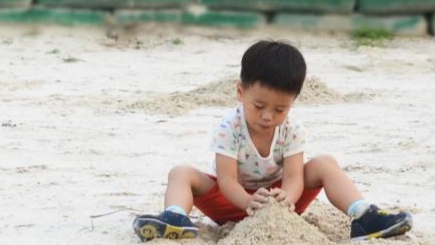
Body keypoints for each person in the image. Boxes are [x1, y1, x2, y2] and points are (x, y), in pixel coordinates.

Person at [131, 40, 413, 241]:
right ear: (241, 92)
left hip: (280, 200)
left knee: (324, 163)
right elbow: (227, 180)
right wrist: (247, 201)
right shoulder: (229, 127)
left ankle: (363, 215)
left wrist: (288, 196)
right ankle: (174, 217)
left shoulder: (292, 128)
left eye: (280, 109)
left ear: (293, 102)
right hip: (232, 201)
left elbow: (293, 176)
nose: (268, 117)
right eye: (259, 106)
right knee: (181, 173)